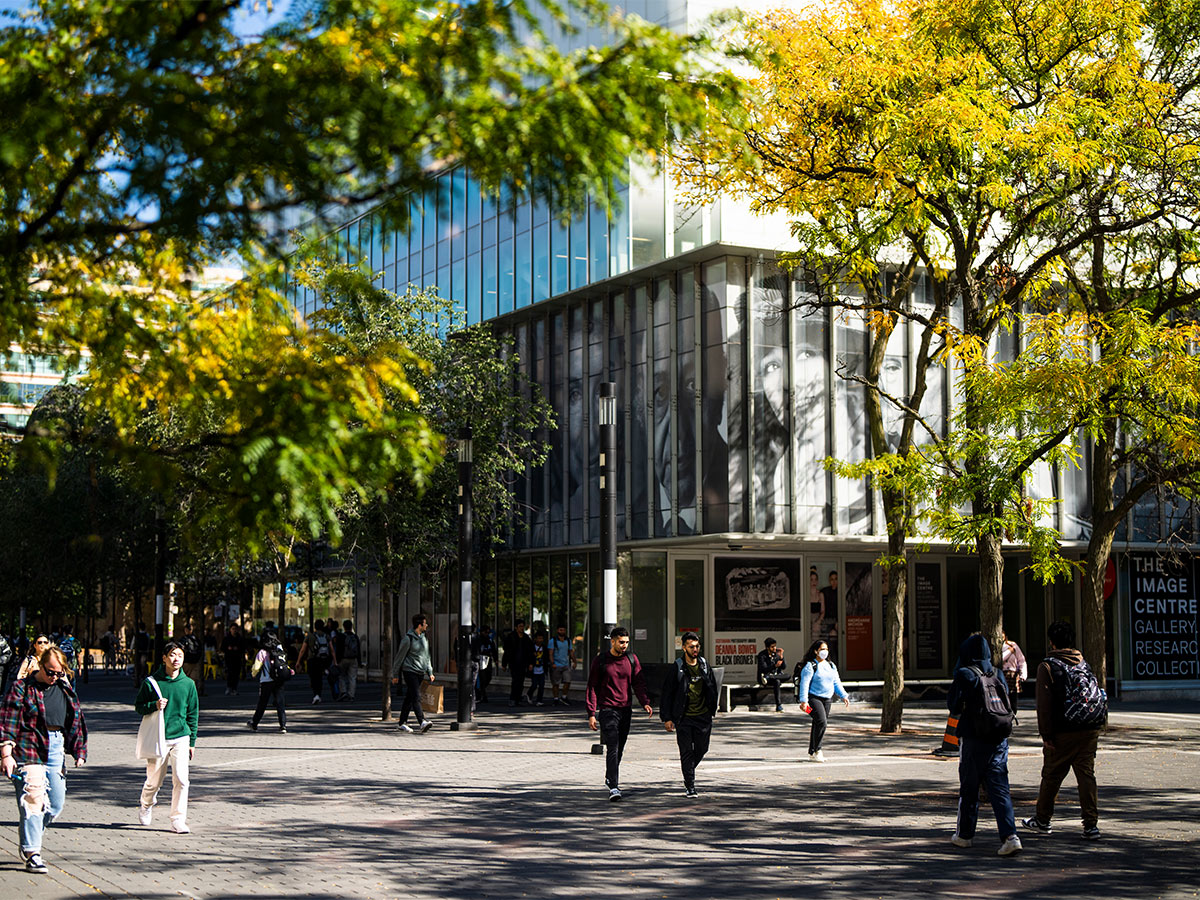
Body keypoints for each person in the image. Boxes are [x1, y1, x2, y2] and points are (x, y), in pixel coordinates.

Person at [0, 645, 87, 875]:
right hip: (28, 747)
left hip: (55, 746)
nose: (54, 677)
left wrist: (78, 750)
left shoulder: (64, 688)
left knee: (55, 804)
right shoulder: (21, 688)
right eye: (50, 672)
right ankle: (32, 853)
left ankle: (30, 835)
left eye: (59, 673)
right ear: (40, 665)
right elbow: (8, 722)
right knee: (33, 799)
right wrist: (6, 754)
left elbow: (75, 719)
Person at [1022, 620, 1107, 841]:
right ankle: (1091, 825)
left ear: (1051, 642)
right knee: (1086, 776)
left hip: (1063, 730)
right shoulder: (1083, 663)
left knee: (1052, 775)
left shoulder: (1048, 666)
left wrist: (1046, 734)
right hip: (1089, 728)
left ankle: (1043, 820)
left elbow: (1044, 705)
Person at [947, 633, 1022, 857]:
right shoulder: (997, 672)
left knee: (969, 788)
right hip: (998, 738)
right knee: (1000, 788)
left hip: (973, 738)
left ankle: (964, 835)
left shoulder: (964, 673)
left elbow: (953, 706)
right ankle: (1010, 836)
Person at [135, 641, 199, 834]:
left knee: (182, 779)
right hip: (159, 737)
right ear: (164, 658)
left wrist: (192, 742)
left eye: (179, 655)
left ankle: (178, 819)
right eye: (172, 655)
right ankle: (146, 804)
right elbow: (139, 707)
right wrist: (153, 705)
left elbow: (193, 714)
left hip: (181, 736)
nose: (176, 659)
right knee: (154, 780)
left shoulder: (188, 684)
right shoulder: (151, 683)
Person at [586, 626, 653, 801]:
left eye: (627, 642)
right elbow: (592, 686)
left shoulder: (631, 659)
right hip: (608, 710)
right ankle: (614, 786)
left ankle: (610, 777)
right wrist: (591, 712)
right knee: (613, 746)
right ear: (613, 641)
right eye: (621, 642)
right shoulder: (601, 660)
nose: (624, 646)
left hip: (625, 710)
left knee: (620, 748)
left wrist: (645, 702)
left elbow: (638, 682)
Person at [660, 632, 718, 798]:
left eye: (697, 646)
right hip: (683, 717)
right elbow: (667, 693)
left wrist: (712, 708)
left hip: (703, 716)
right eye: (691, 647)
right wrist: (667, 718)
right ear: (684, 647)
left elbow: (712, 687)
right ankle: (690, 785)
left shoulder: (704, 665)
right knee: (686, 751)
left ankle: (688, 770)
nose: (695, 649)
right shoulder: (678, 667)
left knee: (702, 749)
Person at [795, 639, 849, 762]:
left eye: (826, 649)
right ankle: (818, 750)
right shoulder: (810, 666)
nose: (825, 652)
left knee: (817, 723)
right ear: (815, 651)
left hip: (827, 699)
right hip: (814, 698)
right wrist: (804, 701)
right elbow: (804, 684)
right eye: (822, 649)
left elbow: (836, 682)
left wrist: (844, 695)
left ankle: (812, 752)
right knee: (822, 722)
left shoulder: (831, 665)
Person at [391, 614, 434, 734]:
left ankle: (402, 723)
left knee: (409, 698)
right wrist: (395, 675)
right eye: (425, 623)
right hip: (410, 671)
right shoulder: (408, 639)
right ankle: (422, 721)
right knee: (416, 696)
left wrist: (430, 671)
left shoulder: (424, 638)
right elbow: (399, 658)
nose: (426, 625)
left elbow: (427, 656)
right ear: (419, 625)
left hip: (420, 672)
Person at [246, 629, 289, 734]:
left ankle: (254, 724)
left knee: (262, 703)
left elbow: (256, 668)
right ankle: (283, 725)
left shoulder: (262, 652)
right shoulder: (279, 649)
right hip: (279, 680)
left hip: (266, 681)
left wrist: (253, 674)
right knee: (280, 703)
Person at [296, 622, 331, 704]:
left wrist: (298, 661)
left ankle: (316, 694)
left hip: (312, 659)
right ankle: (318, 694)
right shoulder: (326, 636)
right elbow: (331, 649)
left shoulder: (310, 636)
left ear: (315, 627)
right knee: (319, 677)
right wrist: (335, 661)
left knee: (313, 677)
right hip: (322, 659)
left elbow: (303, 650)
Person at [503, 620, 534, 707]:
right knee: (515, 681)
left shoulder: (526, 638)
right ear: (516, 627)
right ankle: (513, 698)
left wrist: (531, 663)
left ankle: (518, 698)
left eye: (523, 626)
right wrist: (504, 663)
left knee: (521, 681)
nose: (522, 628)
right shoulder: (511, 637)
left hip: (523, 663)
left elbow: (530, 651)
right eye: (520, 626)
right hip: (514, 662)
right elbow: (507, 651)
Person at [754, 637, 788, 711]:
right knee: (777, 681)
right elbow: (764, 669)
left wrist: (781, 657)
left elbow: (783, 667)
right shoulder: (762, 655)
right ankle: (778, 705)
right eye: (772, 647)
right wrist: (774, 666)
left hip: (773, 676)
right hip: (764, 677)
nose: (774, 648)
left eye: (775, 646)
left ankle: (771, 677)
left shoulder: (776, 654)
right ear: (767, 647)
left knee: (788, 676)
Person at [548, 624, 576, 706]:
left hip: (565, 664)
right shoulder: (553, 641)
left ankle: (564, 697)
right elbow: (550, 653)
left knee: (567, 681)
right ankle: (556, 698)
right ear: (557, 631)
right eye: (560, 630)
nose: (562, 632)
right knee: (556, 683)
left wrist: (574, 661)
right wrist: (552, 663)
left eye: (563, 630)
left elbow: (571, 652)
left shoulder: (568, 640)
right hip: (556, 664)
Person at [175, 622, 205, 696]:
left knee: (184, 679)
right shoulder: (196, 639)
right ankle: (191, 694)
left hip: (186, 662)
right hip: (194, 662)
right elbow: (200, 650)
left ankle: (185, 694)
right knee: (193, 680)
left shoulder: (183, 640)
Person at [471, 624, 498, 704]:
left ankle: (481, 690)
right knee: (482, 677)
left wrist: (496, 659)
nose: (486, 634)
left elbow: (493, 650)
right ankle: (482, 694)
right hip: (481, 658)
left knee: (488, 676)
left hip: (487, 658)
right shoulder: (478, 640)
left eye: (488, 633)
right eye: (485, 632)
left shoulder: (489, 640)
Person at [1000, 631, 1027, 709]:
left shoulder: (1012, 645)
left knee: (1013, 699)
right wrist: (1009, 651)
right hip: (1001, 673)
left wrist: (1023, 674)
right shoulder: (997, 647)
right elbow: (1000, 659)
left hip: (1012, 674)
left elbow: (1021, 660)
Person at [336, 619, 360, 702]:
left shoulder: (341, 636)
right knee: (352, 677)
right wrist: (359, 661)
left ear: (344, 627)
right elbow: (358, 649)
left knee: (341, 676)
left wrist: (337, 660)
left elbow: (338, 649)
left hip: (343, 659)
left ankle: (343, 691)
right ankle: (351, 695)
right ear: (351, 626)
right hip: (353, 659)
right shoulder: (355, 637)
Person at [221, 624, 244, 696]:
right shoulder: (227, 638)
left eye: (235, 629)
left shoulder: (239, 638)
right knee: (230, 673)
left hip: (237, 658)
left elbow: (243, 647)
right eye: (233, 629)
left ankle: (234, 688)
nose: (234, 630)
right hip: (229, 658)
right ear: (230, 630)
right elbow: (222, 648)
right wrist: (228, 648)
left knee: (236, 674)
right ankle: (229, 687)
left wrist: (238, 648)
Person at [527, 631, 549, 706]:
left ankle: (539, 700)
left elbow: (546, 657)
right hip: (534, 669)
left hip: (541, 669)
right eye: (538, 638)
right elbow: (529, 656)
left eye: (541, 638)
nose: (540, 640)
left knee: (541, 685)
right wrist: (530, 664)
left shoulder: (544, 648)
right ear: (535, 639)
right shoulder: (531, 647)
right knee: (534, 684)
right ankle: (529, 694)